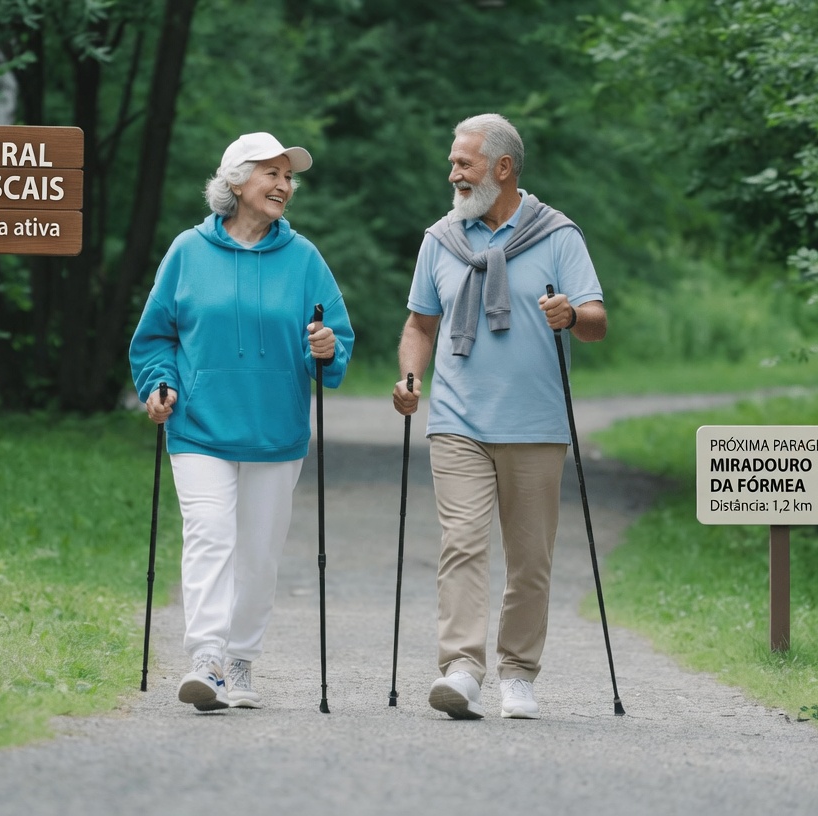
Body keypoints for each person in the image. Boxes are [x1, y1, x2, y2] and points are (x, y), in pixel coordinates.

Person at [129, 132, 354, 712]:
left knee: (258, 553)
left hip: (275, 432)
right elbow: (156, 337)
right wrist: (160, 384)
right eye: (271, 174)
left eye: (289, 177)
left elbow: (335, 343)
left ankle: (241, 658)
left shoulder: (304, 258)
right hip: (199, 426)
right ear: (235, 181)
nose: (284, 185)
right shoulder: (187, 251)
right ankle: (206, 658)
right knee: (210, 535)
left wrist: (325, 349)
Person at [392, 113, 606, 720]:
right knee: (460, 543)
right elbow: (419, 324)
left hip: (536, 423)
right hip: (457, 421)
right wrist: (411, 377)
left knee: (530, 558)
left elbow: (596, 321)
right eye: (453, 162)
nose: (453, 172)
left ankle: (518, 673)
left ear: (503, 168)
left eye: (464, 162)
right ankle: (461, 669)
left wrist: (570, 315)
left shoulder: (557, 235)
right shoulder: (441, 239)